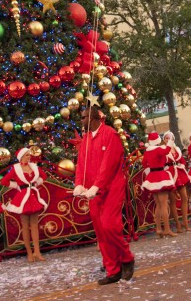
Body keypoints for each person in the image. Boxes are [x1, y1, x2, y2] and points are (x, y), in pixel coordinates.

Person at [73, 105, 135, 285]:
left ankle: (126, 258)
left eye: (84, 117)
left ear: (93, 118)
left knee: (109, 224)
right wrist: (79, 184)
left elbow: (108, 165)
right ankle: (113, 269)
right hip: (93, 190)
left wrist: (97, 186)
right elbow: (81, 165)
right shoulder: (86, 139)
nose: (82, 121)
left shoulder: (110, 134)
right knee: (100, 230)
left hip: (111, 187)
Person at [0, 147, 49, 263]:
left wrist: (36, 183)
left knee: (35, 226)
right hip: (22, 199)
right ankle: (29, 253)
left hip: (33, 197)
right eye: (26, 155)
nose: (29, 156)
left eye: (29, 155)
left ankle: (37, 251)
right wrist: (16, 186)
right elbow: (4, 181)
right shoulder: (16, 169)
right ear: (21, 157)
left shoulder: (34, 167)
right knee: (25, 226)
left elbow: (44, 176)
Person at [142, 132, 178, 237]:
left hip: (152, 176)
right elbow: (167, 150)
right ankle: (167, 229)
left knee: (158, 204)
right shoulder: (158, 149)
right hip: (161, 176)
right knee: (163, 205)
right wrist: (171, 139)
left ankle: (158, 229)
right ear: (158, 140)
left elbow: (144, 164)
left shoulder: (147, 152)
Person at [162, 130, 191, 232]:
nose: (168, 139)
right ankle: (178, 225)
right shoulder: (163, 150)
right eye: (166, 138)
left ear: (173, 138)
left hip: (179, 173)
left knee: (185, 198)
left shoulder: (177, 149)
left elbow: (182, 161)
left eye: (170, 137)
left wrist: (181, 166)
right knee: (173, 201)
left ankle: (185, 223)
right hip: (170, 175)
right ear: (164, 140)